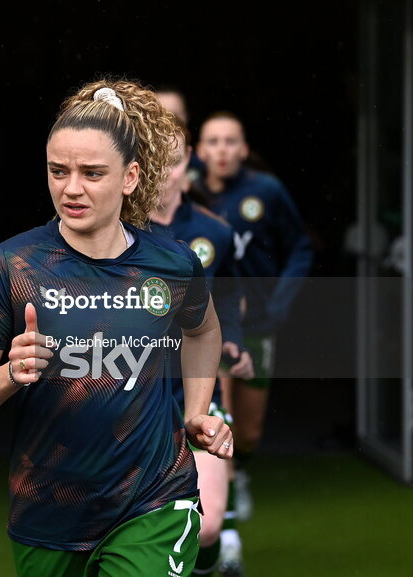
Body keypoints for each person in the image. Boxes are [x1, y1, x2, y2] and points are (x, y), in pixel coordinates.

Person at [0, 79, 234, 577]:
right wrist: (10, 373)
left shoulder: (173, 264)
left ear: (130, 177)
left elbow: (204, 332)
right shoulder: (11, 265)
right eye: (59, 171)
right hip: (48, 510)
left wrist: (195, 411)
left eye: (92, 173)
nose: (71, 188)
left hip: (154, 498)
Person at [195, 112, 313, 521]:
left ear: (244, 150)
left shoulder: (266, 191)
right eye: (213, 141)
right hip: (207, 327)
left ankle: (238, 472)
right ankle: (220, 517)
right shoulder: (185, 191)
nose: (222, 150)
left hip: (258, 327)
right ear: (199, 150)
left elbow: (300, 246)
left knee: (248, 431)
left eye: (230, 141)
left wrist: (279, 303)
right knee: (216, 416)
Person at [149, 121, 248, 577]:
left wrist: (234, 341)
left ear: (188, 159)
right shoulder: (119, 232)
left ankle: (207, 565)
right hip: (137, 393)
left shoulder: (216, 232)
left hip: (197, 390)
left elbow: (228, 297)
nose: (164, 171)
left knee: (206, 528)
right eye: (154, 160)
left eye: (172, 160)